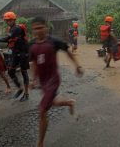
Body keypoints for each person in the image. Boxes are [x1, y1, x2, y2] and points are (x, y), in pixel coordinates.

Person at [29, 17, 83, 147]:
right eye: (35, 28)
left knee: (42, 110)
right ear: (32, 30)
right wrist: (33, 79)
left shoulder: (54, 42)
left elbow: (68, 52)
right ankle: (70, 103)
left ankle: (40, 143)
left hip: (53, 80)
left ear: (46, 28)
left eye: (40, 27)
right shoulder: (31, 45)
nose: (38, 30)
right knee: (52, 102)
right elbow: (34, 62)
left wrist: (77, 65)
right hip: (43, 81)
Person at [0, 11, 30, 102]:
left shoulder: (16, 29)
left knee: (23, 72)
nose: (8, 22)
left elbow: (6, 38)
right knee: (10, 71)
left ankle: (26, 94)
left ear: (14, 20)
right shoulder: (10, 29)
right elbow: (8, 40)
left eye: (10, 20)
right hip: (15, 52)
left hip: (23, 53)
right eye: (6, 20)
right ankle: (19, 88)